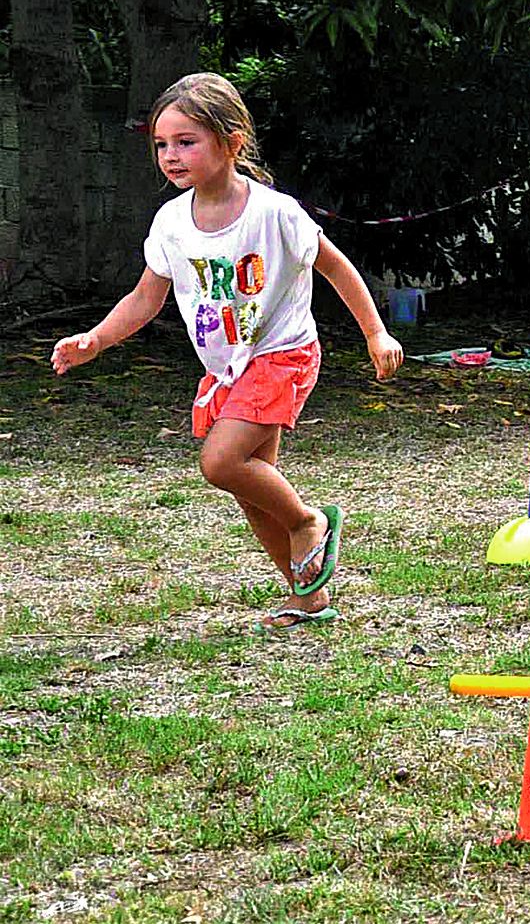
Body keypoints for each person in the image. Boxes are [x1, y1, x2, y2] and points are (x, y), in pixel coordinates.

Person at [49, 72, 402, 631]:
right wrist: (96, 339)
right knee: (253, 486)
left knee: (222, 462)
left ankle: (311, 521)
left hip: (282, 353)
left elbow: (334, 264)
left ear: (232, 141)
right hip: (227, 367)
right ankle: (306, 594)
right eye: (162, 144)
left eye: (186, 141)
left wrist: (375, 332)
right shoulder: (171, 223)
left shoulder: (273, 212)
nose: (171, 155)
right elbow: (146, 296)